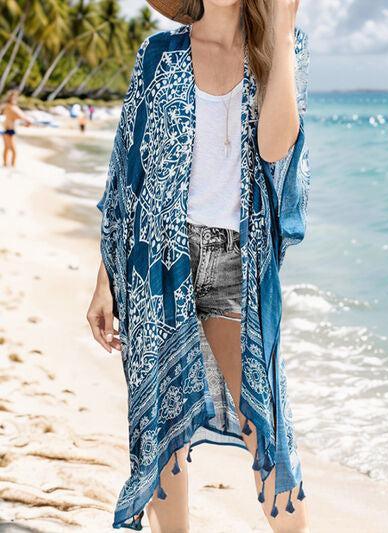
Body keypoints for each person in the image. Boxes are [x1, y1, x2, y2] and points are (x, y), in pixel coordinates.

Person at [87, 1, 311, 531]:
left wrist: (280, 33)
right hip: (158, 261)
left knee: (267, 426)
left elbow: (279, 152)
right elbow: (126, 176)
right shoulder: (157, 56)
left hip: (238, 261)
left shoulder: (280, 51)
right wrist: (104, 282)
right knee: (162, 428)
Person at [0, 90, 32, 167]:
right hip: (9, 130)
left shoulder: (6, 106)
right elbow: (22, 116)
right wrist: (27, 121)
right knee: (13, 151)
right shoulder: (11, 107)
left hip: (5, 129)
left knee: (7, 148)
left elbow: (20, 116)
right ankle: (13, 166)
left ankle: (5, 165)